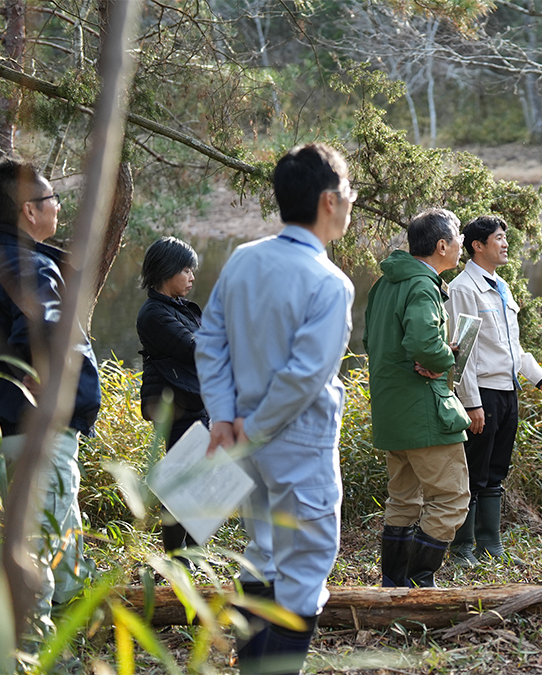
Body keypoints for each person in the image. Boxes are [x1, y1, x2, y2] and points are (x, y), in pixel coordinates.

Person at [195, 143, 355, 674]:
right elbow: (304, 376)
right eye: (349, 191)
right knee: (304, 570)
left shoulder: (244, 259)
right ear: (330, 201)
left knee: (261, 555)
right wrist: (257, 426)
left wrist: (224, 418)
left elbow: (210, 340)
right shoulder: (330, 283)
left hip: (242, 442)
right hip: (296, 442)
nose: (351, 200)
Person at [0, 159, 101, 632]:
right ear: (30, 211)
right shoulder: (29, 265)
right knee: (40, 550)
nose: (58, 207)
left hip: (3, 430)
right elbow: (45, 326)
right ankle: (38, 655)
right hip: (38, 434)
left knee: (62, 542)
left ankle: (76, 643)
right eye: (51, 200)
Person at [444, 215, 542, 566]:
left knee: (496, 470)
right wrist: (471, 403)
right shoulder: (463, 289)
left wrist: (538, 377)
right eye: (498, 237)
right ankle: (462, 547)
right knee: (474, 469)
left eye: (505, 237)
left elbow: (514, 346)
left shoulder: (502, 286)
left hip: (507, 390)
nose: (505, 243)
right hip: (482, 392)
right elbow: (462, 353)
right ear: (477, 245)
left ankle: (490, 544)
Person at [366, 208, 472, 588]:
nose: (462, 243)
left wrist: (427, 356)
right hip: (424, 411)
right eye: (459, 236)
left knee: (403, 500)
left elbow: (373, 343)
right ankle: (418, 582)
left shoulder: (385, 283)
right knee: (452, 498)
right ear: (442, 245)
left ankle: (393, 585)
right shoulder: (423, 285)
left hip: (392, 410)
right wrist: (445, 359)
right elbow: (423, 342)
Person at [136, 236, 206, 557]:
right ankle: (178, 558)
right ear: (167, 271)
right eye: (186, 269)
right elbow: (195, 349)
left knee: (198, 482)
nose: (192, 276)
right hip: (179, 407)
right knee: (181, 484)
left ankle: (191, 552)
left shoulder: (177, 308)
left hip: (196, 404)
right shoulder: (153, 314)